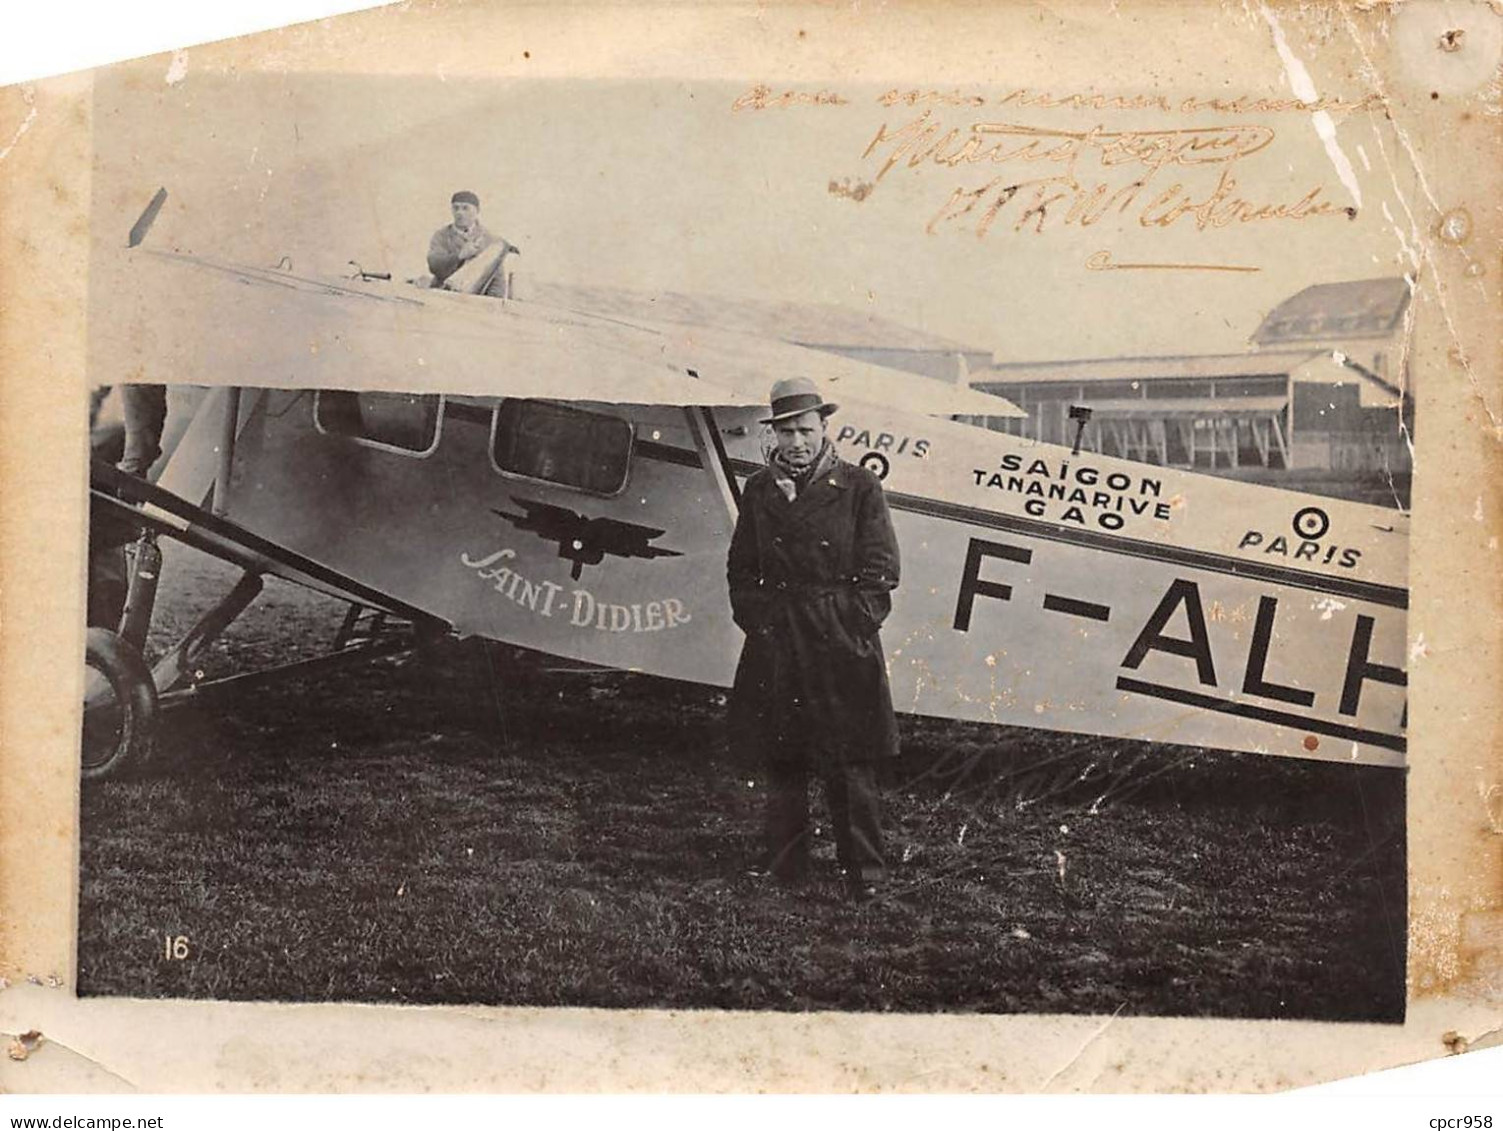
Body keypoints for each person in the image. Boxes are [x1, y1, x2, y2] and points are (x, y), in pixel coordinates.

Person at [727, 377, 902, 902]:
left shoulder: (859, 487)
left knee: (850, 761)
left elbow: (881, 571)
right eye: (786, 432)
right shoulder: (759, 490)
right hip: (779, 639)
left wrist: (850, 624)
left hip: (838, 641)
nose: (796, 442)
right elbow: (742, 567)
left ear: (824, 428)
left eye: (805, 430)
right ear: (774, 435)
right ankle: (786, 865)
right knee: (784, 755)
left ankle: (865, 873)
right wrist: (759, 620)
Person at [426, 190, 514, 295]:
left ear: (477, 211)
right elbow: (434, 266)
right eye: (456, 208)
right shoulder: (442, 235)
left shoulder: (490, 240)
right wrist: (459, 256)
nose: (460, 212)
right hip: (445, 295)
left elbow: (496, 278)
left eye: (465, 208)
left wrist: (493, 304)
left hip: (476, 300)